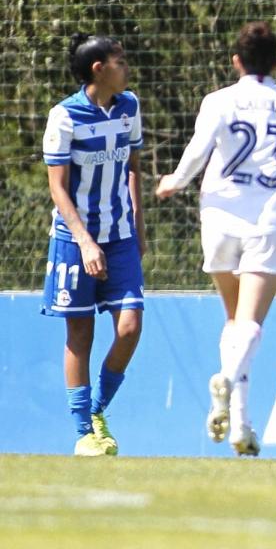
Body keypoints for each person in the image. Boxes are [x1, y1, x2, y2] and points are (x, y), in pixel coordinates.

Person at [156, 21, 276, 456]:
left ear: (236, 61)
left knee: (233, 324)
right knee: (250, 323)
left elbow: (198, 151)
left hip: (219, 216)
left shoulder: (218, 101)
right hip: (269, 220)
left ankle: (241, 426)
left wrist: (175, 182)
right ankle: (225, 381)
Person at [41, 33, 147, 456]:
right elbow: (58, 189)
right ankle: (84, 431)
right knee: (80, 331)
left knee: (130, 327)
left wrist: (138, 225)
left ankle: (99, 410)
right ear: (98, 69)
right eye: (119, 61)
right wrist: (85, 241)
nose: (127, 67)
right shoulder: (64, 117)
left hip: (119, 237)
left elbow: (135, 167)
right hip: (74, 241)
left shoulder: (130, 106)